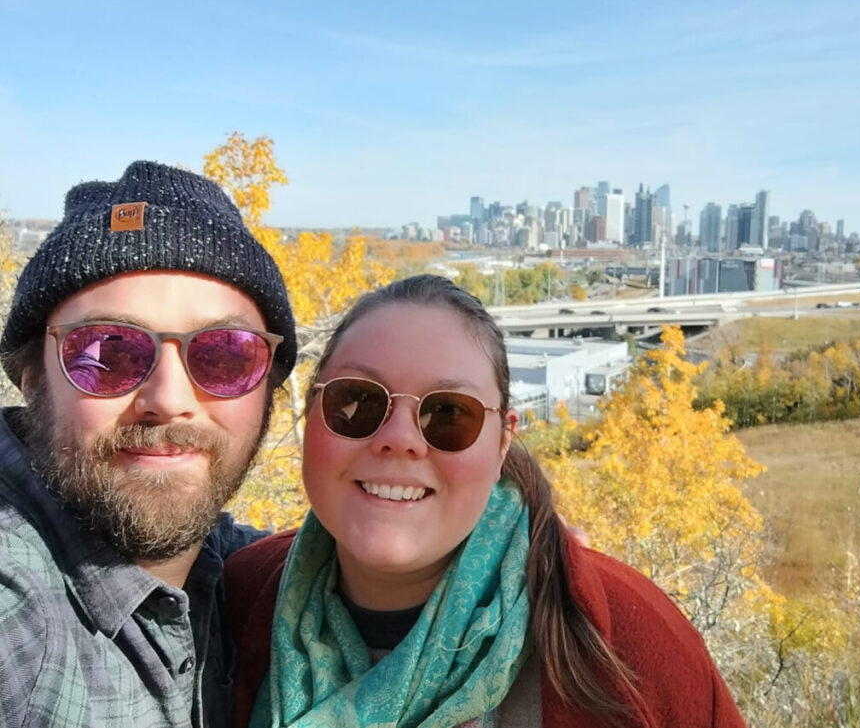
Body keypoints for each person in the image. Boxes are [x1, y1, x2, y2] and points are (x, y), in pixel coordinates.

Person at [226, 274, 747, 727]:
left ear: (503, 442)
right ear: (311, 412)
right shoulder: (235, 600)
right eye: (357, 400)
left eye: (450, 414)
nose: (400, 439)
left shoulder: (625, 642)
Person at [0, 161, 298, 727]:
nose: (167, 397)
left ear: (269, 392)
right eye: (108, 351)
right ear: (32, 376)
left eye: (224, 354)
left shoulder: (231, 569)